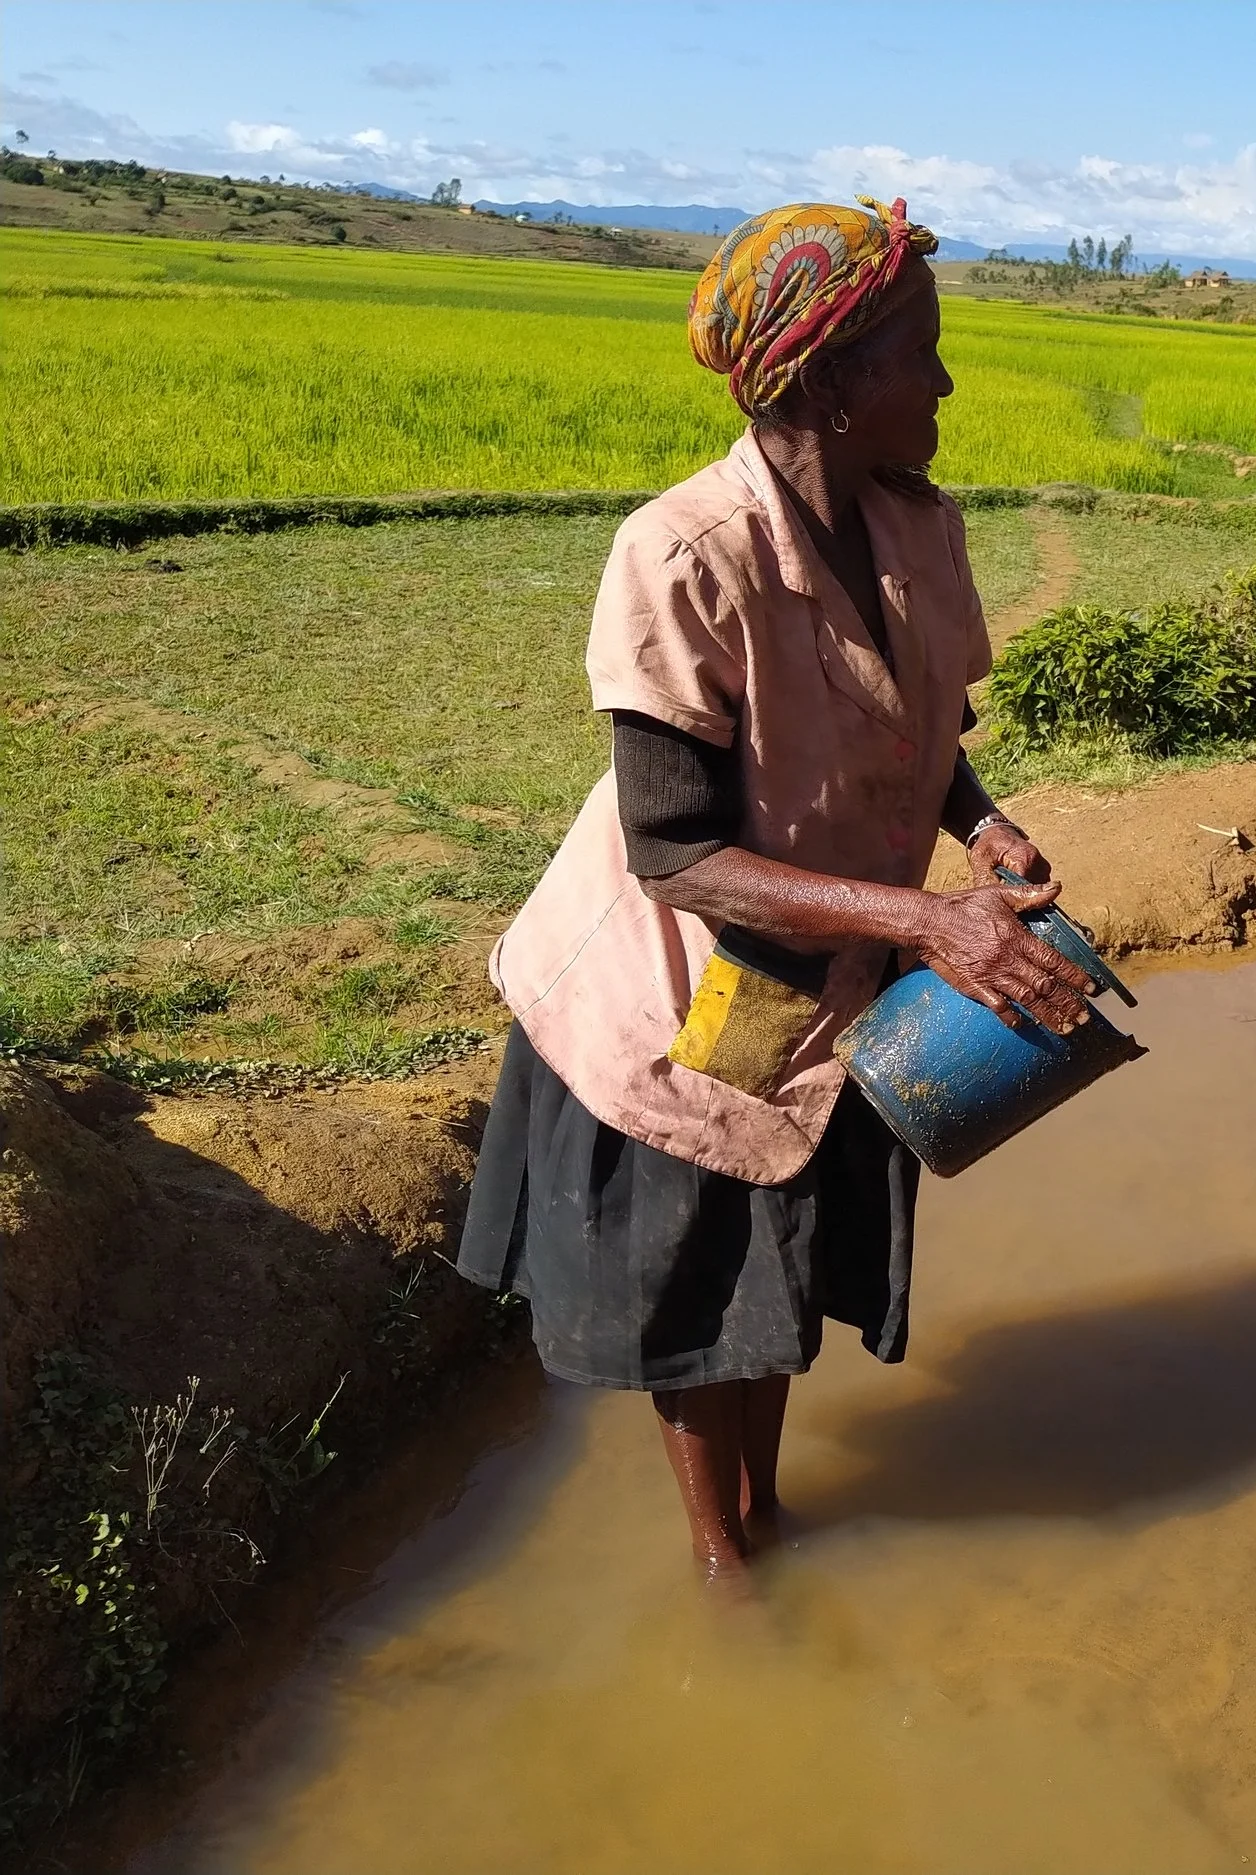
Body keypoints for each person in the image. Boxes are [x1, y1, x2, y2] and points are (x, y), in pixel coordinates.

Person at [455, 199, 1096, 1582]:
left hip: (825, 968)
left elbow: (926, 733)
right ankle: (723, 1565)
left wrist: (981, 828)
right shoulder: (685, 555)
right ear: (827, 384)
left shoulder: (919, 528)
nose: (945, 382)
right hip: (682, 984)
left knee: (778, 1268)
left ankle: (768, 1516)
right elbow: (674, 853)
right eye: (920, 353)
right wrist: (927, 920)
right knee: (704, 1296)